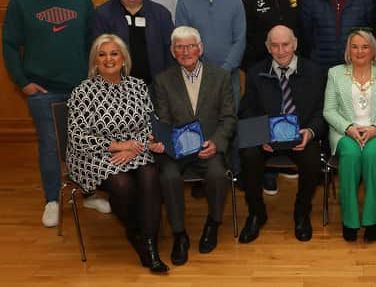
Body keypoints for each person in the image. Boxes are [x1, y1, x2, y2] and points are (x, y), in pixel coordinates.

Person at [2, 0, 109, 228]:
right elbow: (10, 45)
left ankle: (89, 193)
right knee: (50, 146)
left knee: (87, 143)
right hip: (43, 90)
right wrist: (22, 82)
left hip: (82, 87)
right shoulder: (20, 2)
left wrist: (95, 77)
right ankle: (52, 199)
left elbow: (92, 40)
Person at [66, 34, 169, 273]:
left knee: (150, 175)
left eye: (114, 53)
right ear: (95, 62)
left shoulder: (137, 86)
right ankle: (135, 231)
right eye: (102, 55)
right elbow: (77, 138)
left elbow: (149, 124)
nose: (108, 59)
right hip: (93, 155)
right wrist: (117, 146)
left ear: (123, 59)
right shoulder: (83, 92)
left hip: (135, 148)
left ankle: (150, 245)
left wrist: (135, 146)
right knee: (122, 184)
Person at [153, 26, 237, 265]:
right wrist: (164, 144)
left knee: (217, 173)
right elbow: (164, 120)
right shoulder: (162, 80)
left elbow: (229, 118)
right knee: (167, 176)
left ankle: (213, 222)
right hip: (176, 150)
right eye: (179, 46)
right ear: (172, 51)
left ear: (200, 49)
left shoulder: (220, 76)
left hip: (208, 146)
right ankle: (180, 234)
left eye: (190, 45)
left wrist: (217, 143)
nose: (185, 51)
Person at [238, 25, 326, 244]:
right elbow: (247, 110)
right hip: (267, 137)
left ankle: (301, 213)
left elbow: (322, 110)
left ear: (295, 44)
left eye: (285, 44)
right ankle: (256, 213)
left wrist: (311, 132)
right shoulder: (256, 72)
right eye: (274, 46)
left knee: (312, 159)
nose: (280, 51)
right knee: (247, 154)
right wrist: (260, 135)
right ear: (267, 47)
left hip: (301, 134)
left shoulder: (314, 71)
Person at [323, 28, 376, 243]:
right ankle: (349, 222)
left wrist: (375, 128)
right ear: (348, 50)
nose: (359, 51)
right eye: (355, 46)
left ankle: (373, 220)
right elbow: (329, 110)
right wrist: (348, 127)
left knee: (371, 153)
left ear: (373, 50)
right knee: (350, 155)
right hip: (345, 133)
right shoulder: (335, 73)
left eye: (364, 46)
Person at [242, 0, 305, 195]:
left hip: (293, 64)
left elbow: (304, 31)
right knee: (267, 110)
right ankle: (268, 170)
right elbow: (248, 36)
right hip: (264, 67)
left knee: (291, 107)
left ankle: (288, 155)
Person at [176, 0, 246, 106]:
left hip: (228, 77)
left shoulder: (235, 2)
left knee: (228, 124)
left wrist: (223, 71)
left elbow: (240, 40)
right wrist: (200, 71)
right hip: (195, 77)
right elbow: (182, 43)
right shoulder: (184, 3)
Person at [94, 0, 174, 87]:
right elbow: (98, 57)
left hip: (156, 90)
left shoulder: (161, 14)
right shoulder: (103, 15)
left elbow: (170, 56)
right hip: (117, 91)